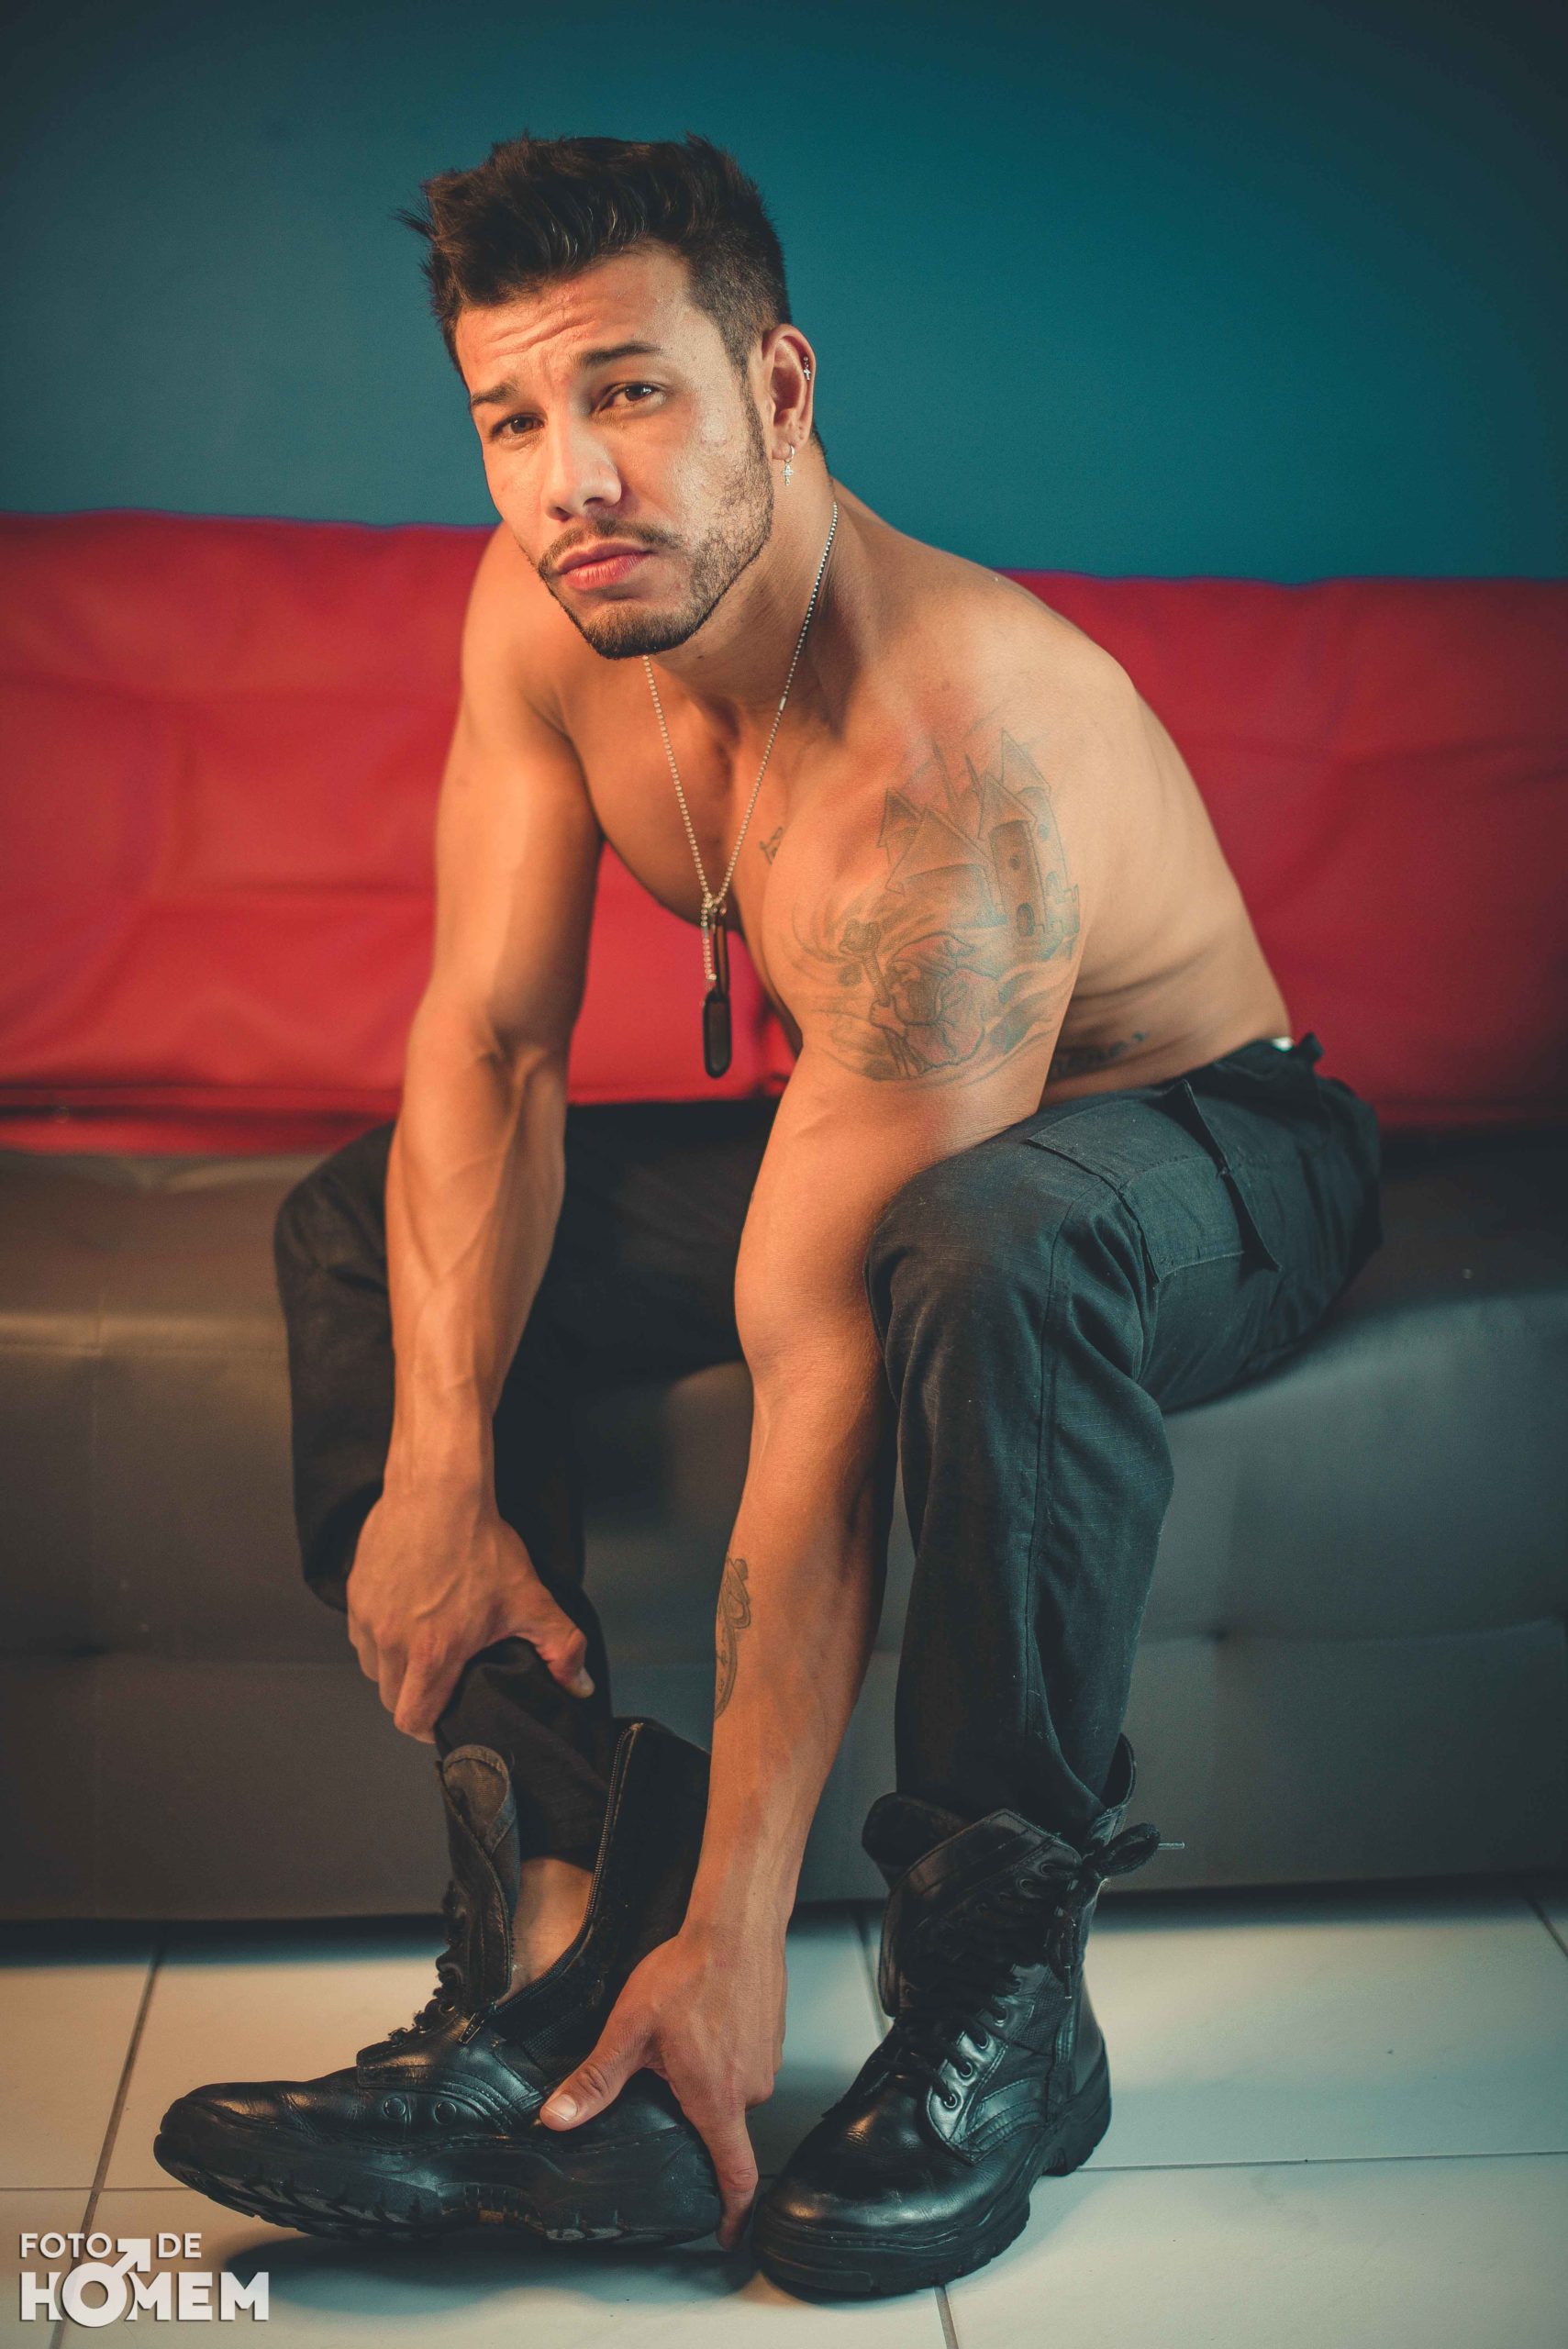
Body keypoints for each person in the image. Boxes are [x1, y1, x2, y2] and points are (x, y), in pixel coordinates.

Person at [155, 131, 1383, 2297]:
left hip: (1196, 1142)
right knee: (370, 1216)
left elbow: (822, 1357)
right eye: (511, 419)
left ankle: (999, 1998)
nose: (569, 479)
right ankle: (554, 1972)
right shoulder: (556, 613)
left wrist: (746, 1934)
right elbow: (492, 1049)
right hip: (912, 1123)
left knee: (984, 1247)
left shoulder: (954, 756)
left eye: (629, 390)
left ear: (780, 388)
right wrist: (439, 1469)